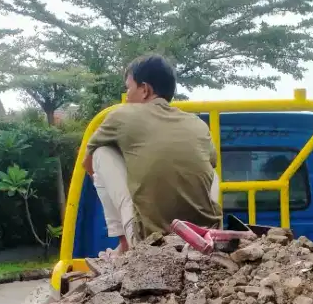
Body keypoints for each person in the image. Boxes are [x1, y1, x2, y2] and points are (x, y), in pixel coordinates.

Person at [83, 54, 222, 251]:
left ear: (145, 89)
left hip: (150, 240)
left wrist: (127, 181)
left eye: (129, 88)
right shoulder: (197, 123)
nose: (127, 95)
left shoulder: (122, 114)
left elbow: (87, 163)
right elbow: (209, 165)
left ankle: (124, 244)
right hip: (204, 237)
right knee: (211, 170)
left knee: (101, 152)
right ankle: (204, 231)